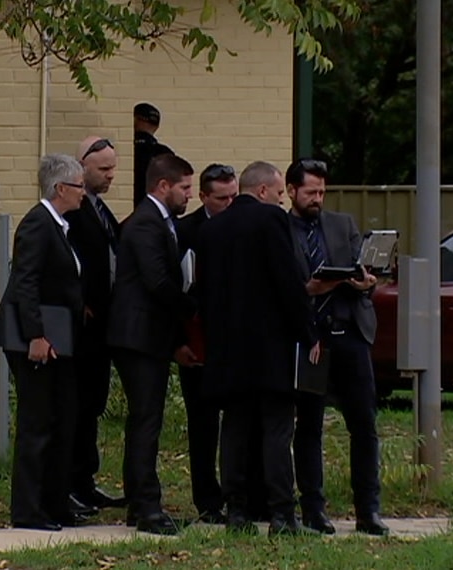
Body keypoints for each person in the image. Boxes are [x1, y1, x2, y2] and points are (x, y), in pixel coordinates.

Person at [195, 160, 320, 537]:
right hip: (269, 348)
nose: (282, 201)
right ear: (263, 191)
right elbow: (287, 281)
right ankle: (282, 514)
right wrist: (308, 332)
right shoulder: (271, 221)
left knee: (233, 430)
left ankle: (236, 511)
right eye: (280, 193)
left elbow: (205, 291)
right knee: (277, 431)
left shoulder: (211, 229)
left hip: (227, 349)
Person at [284, 158, 389, 537]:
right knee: (309, 425)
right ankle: (314, 509)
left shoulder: (341, 224)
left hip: (351, 334)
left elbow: (366, 269)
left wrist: (365, 282)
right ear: (292, 190)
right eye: (310, 192)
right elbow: (280, 284)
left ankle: (369, 511)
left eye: (322, 192)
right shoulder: (282, 229)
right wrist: (307, 289)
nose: (317, 199)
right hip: (311, 337)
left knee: (364, 425)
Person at [0, 153, 88, 532]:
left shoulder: (58, 225)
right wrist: (35, 335)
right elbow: (25, 282)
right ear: (61, 188)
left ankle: (55, 503)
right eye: (79, 186)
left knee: (61, 419)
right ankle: (28, 510)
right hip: (36, 339)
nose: (83, 193)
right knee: (38, 422)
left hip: (59, 336)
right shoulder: (38, 224)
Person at [107, 153, 196, 535]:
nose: (189, 195)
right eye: (185, 188)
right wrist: (194, 308)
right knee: (145, 421)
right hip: (137, 337)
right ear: (163, 186)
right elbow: (158, 282)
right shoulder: (146, 224)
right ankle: (146, 506)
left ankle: (139, 503)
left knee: (147, 420)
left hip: (151, 336)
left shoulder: (162, 222)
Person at [174, 163, 238, 524]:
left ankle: (238, 493)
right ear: (203, 197)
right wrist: (178, 343)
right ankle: (208, 500)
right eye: (221, 198)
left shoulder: (244, 227)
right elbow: (172, 291)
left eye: (233, 196)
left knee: (239, 424)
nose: (228, 204)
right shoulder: (187, 231)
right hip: (197, 340)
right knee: (202, 426)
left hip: (234, 343)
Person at [64, 136, 126, 510]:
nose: (110, 176)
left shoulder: (102, 211)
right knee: (76, 405)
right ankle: (69, 481)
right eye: (103, 169)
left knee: (92, 406)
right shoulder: (72, 210)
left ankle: (85, 479)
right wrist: (81, 300)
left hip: (103, 325)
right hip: (80, 327)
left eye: (113, 168)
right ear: (81, 168)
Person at [133, 102, 173, 209]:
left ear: (136, 120)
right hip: (156, 209)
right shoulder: (166, 153)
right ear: (157, 126)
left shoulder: (128, 150)